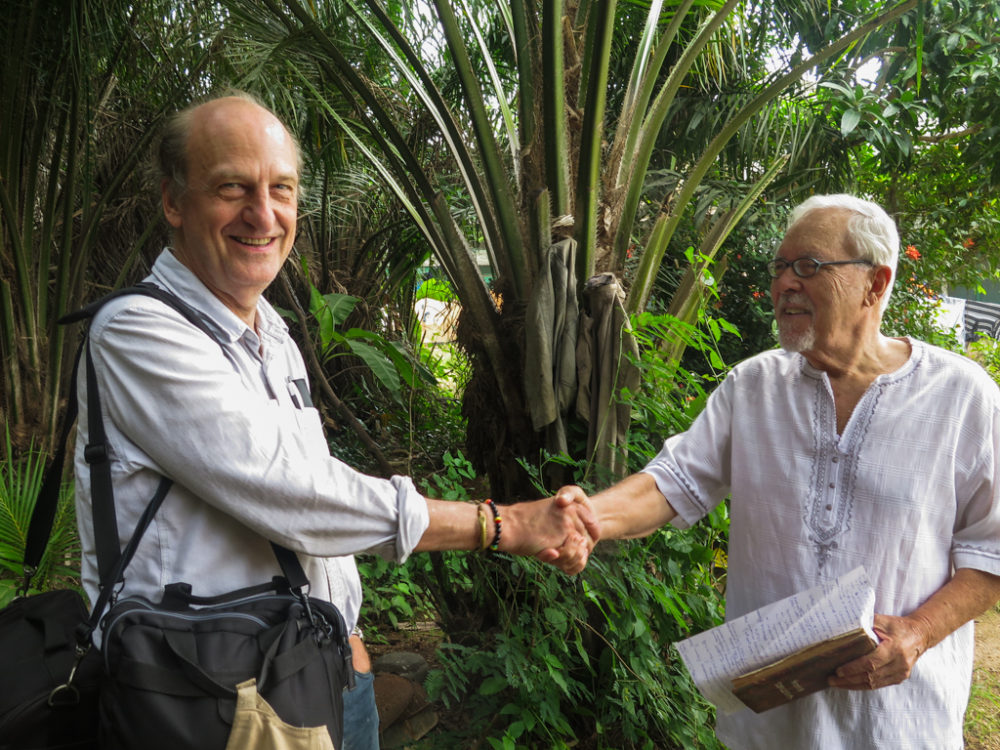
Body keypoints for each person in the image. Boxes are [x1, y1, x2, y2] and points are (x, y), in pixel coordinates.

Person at [72, 91, 596, 750]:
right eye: (232, 188)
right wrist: (503, 523)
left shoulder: (272, 331)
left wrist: (349, 640)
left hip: (322, 671)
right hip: (203, 697)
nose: (262, 214)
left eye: (281, 189)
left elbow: (311, 490)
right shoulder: (137, 332)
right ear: (174, 201)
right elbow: (294, 491)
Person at [554, 194, 1000, 749]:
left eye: (809, 267)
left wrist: (918, 632)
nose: (785, 282)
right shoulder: (754, 387)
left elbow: (990, 551)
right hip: (768, 725)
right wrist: (588, 517)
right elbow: (674, 483)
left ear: (875, 284)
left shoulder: (962, 397)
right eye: (781, 267)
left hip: (897, 723)